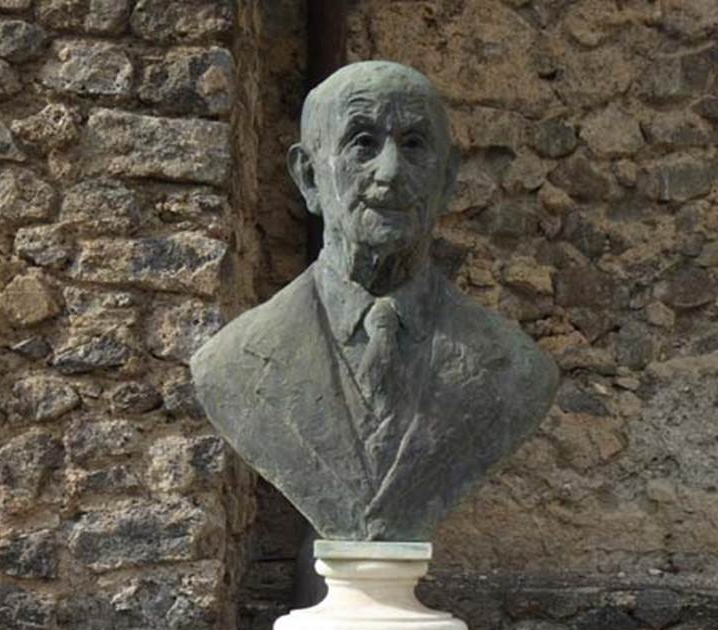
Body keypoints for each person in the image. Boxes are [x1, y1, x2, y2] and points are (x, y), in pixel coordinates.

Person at [191, 61, 558, 541]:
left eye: (413, 145)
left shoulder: (516, 369)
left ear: (447, 179)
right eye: (362, 143)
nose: (389, 172)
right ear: (308, 177)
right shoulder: (231, 363)